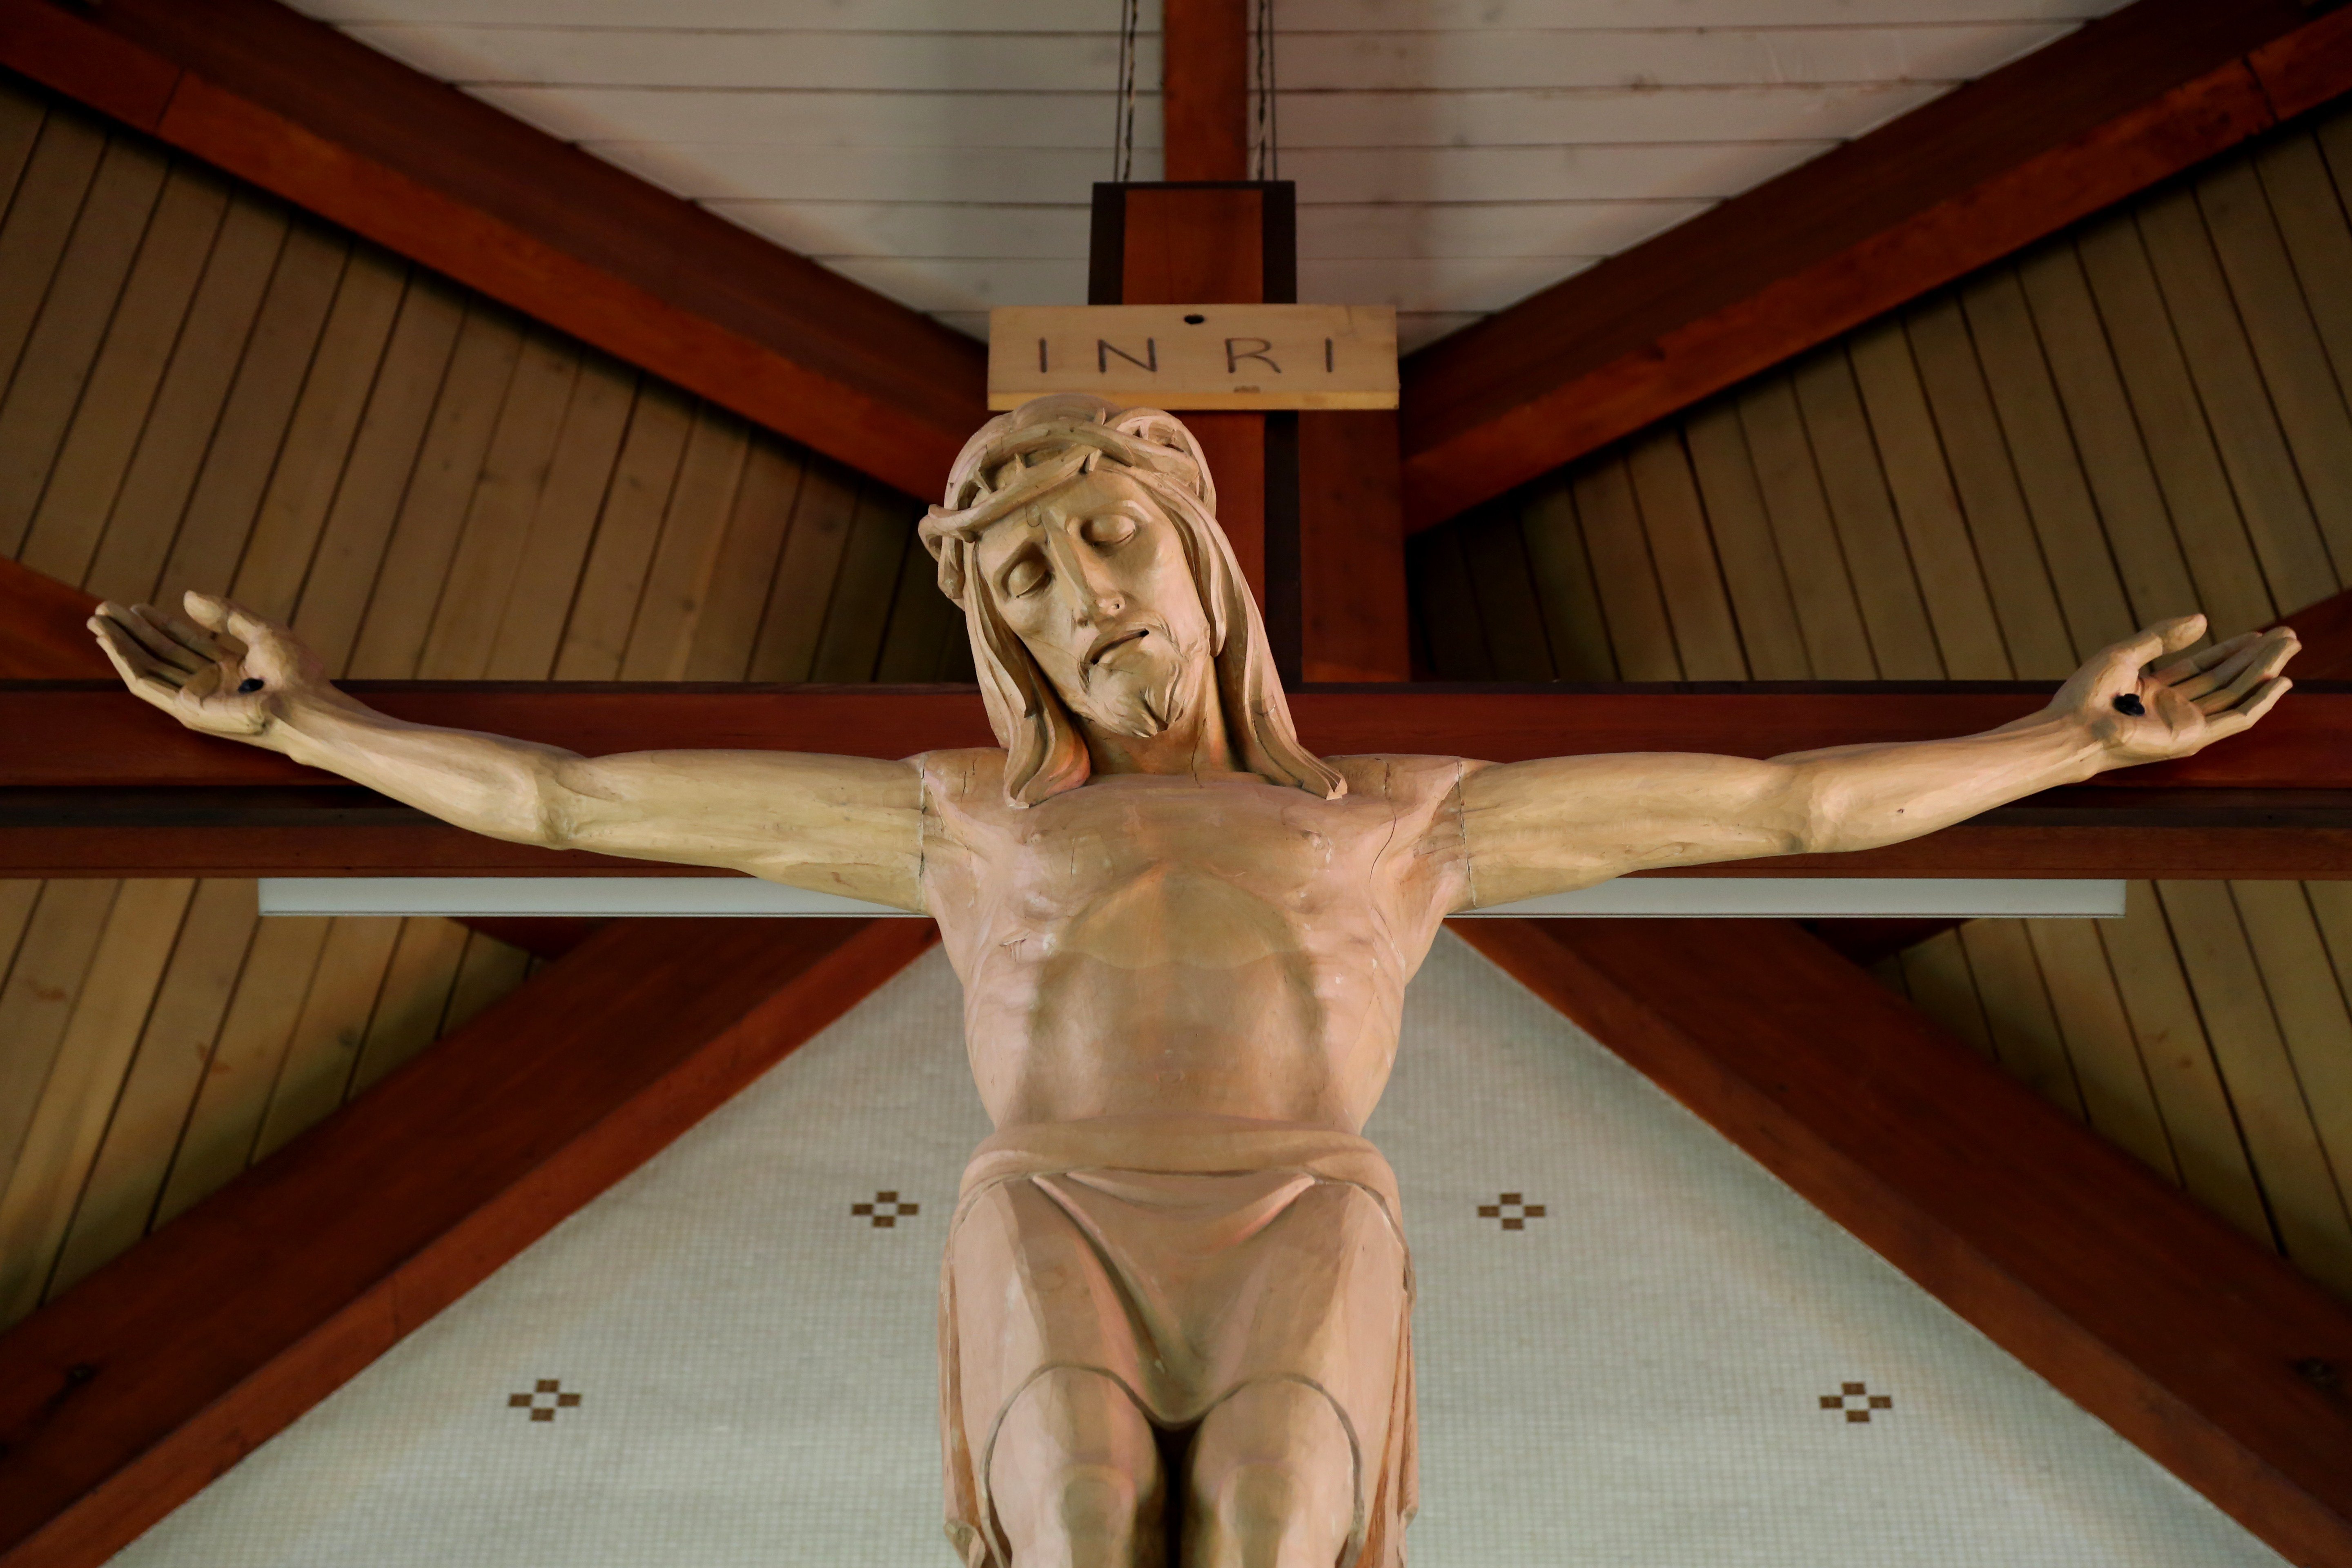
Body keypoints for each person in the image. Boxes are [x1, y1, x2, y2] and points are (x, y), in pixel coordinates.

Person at [92, 394, 2298, 1568]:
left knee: (1254, 1532)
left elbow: (1790, 809)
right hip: (1048, 1195)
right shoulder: (967, 819)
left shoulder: (1400, 818)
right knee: (1069, 1520)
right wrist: (307, 726)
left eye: (1103, 542)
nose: (1074, 600)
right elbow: (574, 807)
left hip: (1298, 1204)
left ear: (1200, 549)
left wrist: (2064, 743)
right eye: (1027, 580)